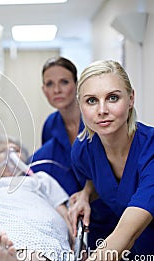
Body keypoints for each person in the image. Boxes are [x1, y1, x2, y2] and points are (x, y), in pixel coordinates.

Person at [69, 60, 154, 261]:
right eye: (91, 100)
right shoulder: (84, 149)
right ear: (80, 106)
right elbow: (99, 178)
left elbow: (125, 236)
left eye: (112, 98)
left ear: (131, 99)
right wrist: (86, 193)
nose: (102, 110)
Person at [30, 57, 117, 251]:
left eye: (64, 82)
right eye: (50, 84)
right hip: (75, 217)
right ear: (44, 90)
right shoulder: (50, 126)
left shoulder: (98, 117)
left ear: (77, 86)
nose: (57, 90)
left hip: (110, 210)